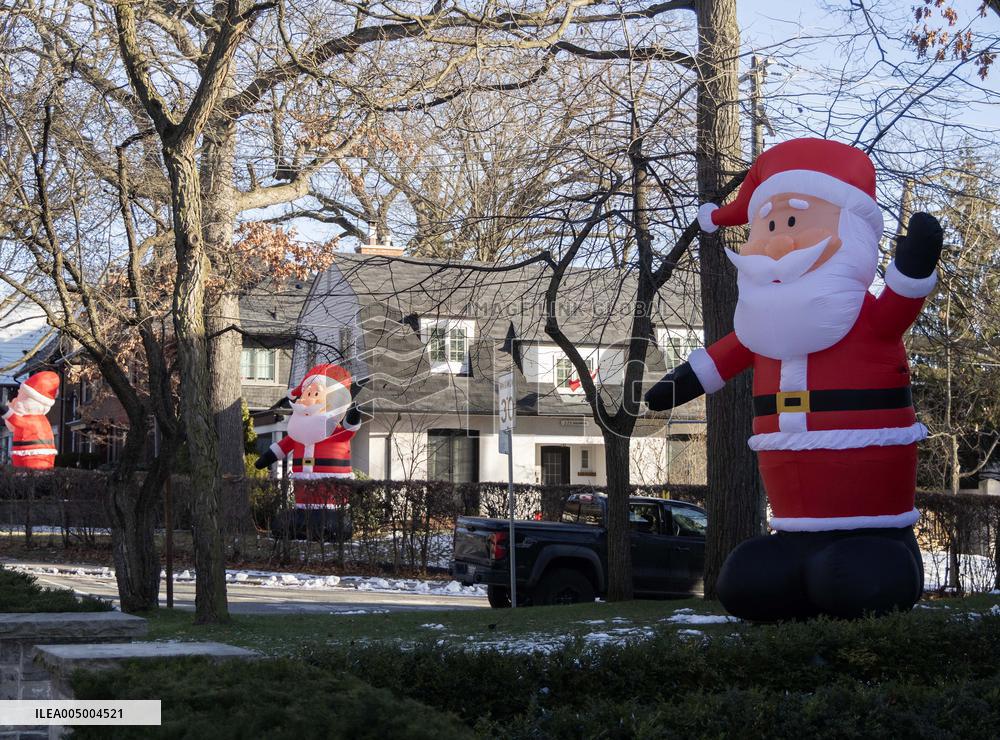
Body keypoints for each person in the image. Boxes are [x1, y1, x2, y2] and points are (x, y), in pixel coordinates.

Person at [645, 138, 942, 621]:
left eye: (794, 222)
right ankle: (799, 557)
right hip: (797, 521)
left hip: (873, 518)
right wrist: (680, 383)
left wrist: (913, 265)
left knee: (853, 580)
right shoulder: (761, 329)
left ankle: (888, 559)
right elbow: (722, 358)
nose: (779, 242)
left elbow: (900, 304)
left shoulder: (864, 318)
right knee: (747, 582)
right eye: (771, 225)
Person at [3, 371, 60, 470]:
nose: (17, 400)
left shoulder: (35, 420)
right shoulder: (38, 419)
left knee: (30, 476)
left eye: (21, 397)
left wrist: (5, 411)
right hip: (23, 453)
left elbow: (17, 421)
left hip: (35, 455)